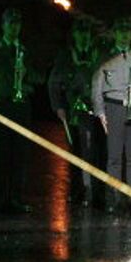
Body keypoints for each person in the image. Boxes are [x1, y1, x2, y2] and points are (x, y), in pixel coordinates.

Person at [91, 18, 131, 214]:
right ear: (115, 34)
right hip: (114, 107)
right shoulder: (104, 56)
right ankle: (114, 197)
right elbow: (96, 84)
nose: (125, 35)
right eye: (121, 32)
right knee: (114, 156)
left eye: (127, 31)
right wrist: (100, 111)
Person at [0, 8, 34, 213]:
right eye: (10, 24)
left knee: (19, 155)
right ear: (3, 25)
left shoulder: (25, 50)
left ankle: (16, 198)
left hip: (20, 107)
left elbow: (38, 78)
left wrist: (26, 76)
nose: (14, 28)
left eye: (17, 24)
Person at [48, 18, 101, 207]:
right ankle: (77, 191)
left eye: (86, 33)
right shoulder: (66, 56)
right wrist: (59, 107)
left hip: (96, 111)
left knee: (96, 153)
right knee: (76, 153)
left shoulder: (97, 54)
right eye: (80, 33)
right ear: (75, 35)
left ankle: (97, 193)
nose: (83, 36)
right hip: (74, 112)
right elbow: (54, 83)